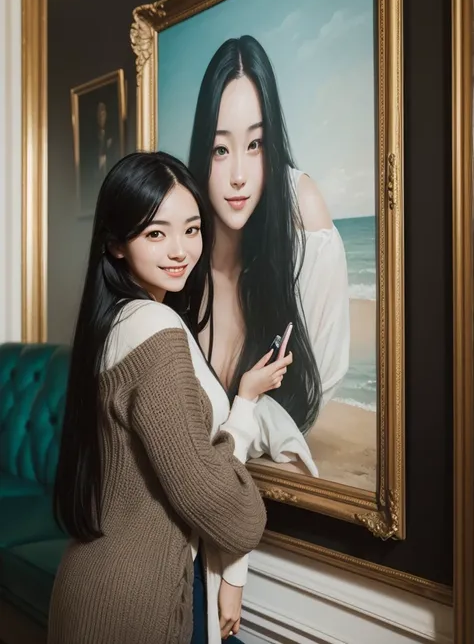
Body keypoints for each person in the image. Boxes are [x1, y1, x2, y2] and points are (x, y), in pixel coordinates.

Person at [48, 151, 294, 644]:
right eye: (156, 233)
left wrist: (241, 397)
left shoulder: (113, 321)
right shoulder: (155, 328)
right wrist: (243, 414)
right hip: (134, 604)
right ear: (116, 244)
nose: (180, 250)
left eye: (193, 228)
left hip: (91, 585)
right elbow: (214, 499)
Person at [188, 35, 350, 457]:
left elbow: (316, 389)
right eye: (220, 149)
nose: (239, 174)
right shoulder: (177, 262)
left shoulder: (303, 229)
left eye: (255, 145)